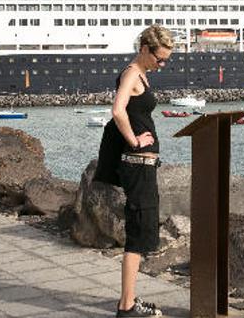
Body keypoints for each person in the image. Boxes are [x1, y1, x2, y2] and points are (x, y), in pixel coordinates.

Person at [95, 25, 173, 317]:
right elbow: (118, 110)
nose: (161, 64)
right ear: (145, 48)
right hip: (136, 165)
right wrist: (134, 140)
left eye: (165, 60)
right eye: (159, 58)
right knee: (138, 235)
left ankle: (129, 300)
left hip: (144, 166)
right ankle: (126, 307)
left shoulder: (141, 74)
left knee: (141, 233)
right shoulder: (131, 74)